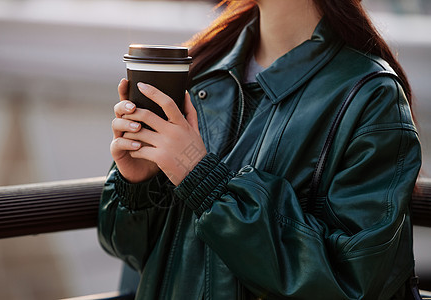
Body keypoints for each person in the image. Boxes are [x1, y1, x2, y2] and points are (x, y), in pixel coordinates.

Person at [98, 0, 422, 299]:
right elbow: (134, 252)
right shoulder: (200, 68)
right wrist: (137, 185)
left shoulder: (372, 96)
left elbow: (353, 281)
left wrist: (200, 178)